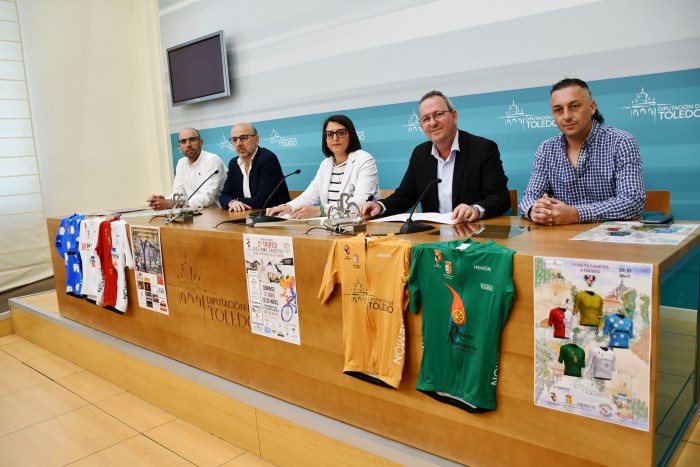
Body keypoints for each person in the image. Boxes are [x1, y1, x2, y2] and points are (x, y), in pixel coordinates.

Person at [362, 91, 510, 222]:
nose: (432, 123)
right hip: (433, 238)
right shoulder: (420, 154)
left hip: (471, 236)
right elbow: (405, 195)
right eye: (426, 119)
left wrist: (476, 209)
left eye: (438, 114)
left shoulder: (482, 149)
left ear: (454, 116)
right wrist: (380, 206)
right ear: (421, 125)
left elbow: (500, 197)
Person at [519, 78, 645, 225]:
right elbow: (529, 197)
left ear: (592, 107)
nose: (566, 116)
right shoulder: (546, 149)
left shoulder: (621, 142)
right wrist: (534, 210)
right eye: (558, 110)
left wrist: (576, 214)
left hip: (613, 240)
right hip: (563, 239)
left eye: (574, 106)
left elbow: (633, 201)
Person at [266, 115, 379, 219]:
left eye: (341, 133)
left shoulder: (364, 160)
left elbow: (360, 202)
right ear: (325, 140)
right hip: (330, 224)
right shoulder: (326, 164)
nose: (335, 138)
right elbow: (308, 197)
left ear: (351, 135)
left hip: (359, 224)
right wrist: (288, 207)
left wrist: (320, 210)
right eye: (329, 134)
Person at [147, 128, 227, 210]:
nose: (188, 145)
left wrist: (170, 203)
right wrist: (162, 201)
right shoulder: (181, 163)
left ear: (201, 142)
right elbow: (178, 193)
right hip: (193, 214)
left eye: (192, 139)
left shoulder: (212, 160)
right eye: (183, 141)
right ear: (180, 146)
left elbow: (207, 199)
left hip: (218, 214)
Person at [219, 123, 291, 212]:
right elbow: (224, 195)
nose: (238, 144)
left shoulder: (267, 158)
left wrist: (236, 200)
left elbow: (262, 200)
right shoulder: (234, 163)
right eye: (234, 140)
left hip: (274, 217)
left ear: (256, 140)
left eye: (243, 138)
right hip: (246, 216)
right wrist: (231, 202)